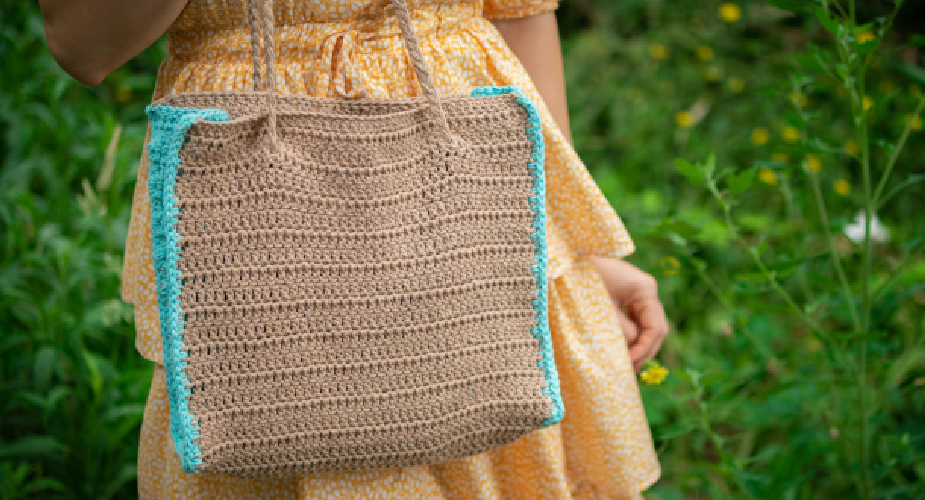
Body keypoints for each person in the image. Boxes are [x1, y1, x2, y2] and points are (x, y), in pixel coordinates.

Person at [39, 0, 670, 498]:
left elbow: (517, 12)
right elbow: (83, 44)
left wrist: (573, 241)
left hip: (482, 220)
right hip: (261, 223)